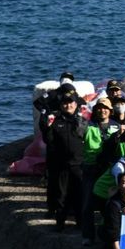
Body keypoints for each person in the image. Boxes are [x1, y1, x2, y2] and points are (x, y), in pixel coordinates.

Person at [40, 89, 87, 230]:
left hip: (79, 165)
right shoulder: (55, 121)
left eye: (71, 103)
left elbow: (87, 139)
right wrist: (48, 128)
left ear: (76, 104)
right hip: (62, 165)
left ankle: (80, 223)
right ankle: (60, 223)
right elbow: (48, 141)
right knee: (61, 195)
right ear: (61, 105)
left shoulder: (82, 121)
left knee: (79, 194)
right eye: (65, 103)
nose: (68, 105)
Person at [81, 97, 119, 244]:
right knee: (87, 203)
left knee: (108, 203)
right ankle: (88, 236)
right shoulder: (87, 125)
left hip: (109, 170)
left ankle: (108, 234)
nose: (102, 110)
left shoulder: (117, 126)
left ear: (110, 111)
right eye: (99, 108)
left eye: (105, 108)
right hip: (90, 168)